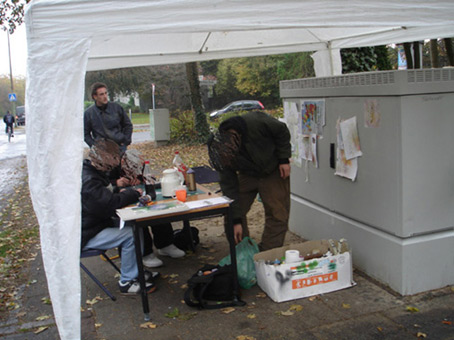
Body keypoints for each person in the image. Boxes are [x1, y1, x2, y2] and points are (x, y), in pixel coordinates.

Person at [81, 139, 157, 295]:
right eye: (114, 157)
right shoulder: (89, 179)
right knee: (131, 234)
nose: (117, 161)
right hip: (85, 234)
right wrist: (131, 194)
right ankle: (127, 281)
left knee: (135, 226)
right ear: (104, 158)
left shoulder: (92, 171)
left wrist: (116, 189)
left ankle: (135, 271)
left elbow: (103, 197)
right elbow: (108, 205)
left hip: (93, 225)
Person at [207, 111, 291, 251]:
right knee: (231, 211)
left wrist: (284, 159)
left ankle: (268, 254)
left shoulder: (256, 121)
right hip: (247, 172)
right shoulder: (222, 152)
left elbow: (281, 131)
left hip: (273, 168)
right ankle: (243, 252)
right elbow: (230, 190)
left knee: (278, 213)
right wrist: (236, 220)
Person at [118, 149, 185, 268]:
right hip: (122, 199)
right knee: (139, 219)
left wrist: (141, 179)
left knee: (159, 209)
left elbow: (151, 179)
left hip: (142, 194)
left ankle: (165, 244)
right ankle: (146, 253)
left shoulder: (139, 162)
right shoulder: (110, 165)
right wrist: (117, 183)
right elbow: (104, 188)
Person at [84, 82, 133, 151]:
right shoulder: (89, 113)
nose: (105, 96)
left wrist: (125, 141)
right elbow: (85, 134)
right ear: (95, 96)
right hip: (101, 149)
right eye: (101, 94)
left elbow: (128, 125)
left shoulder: (117, 108)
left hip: (119, 146)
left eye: (106, 93)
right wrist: (94, 145)